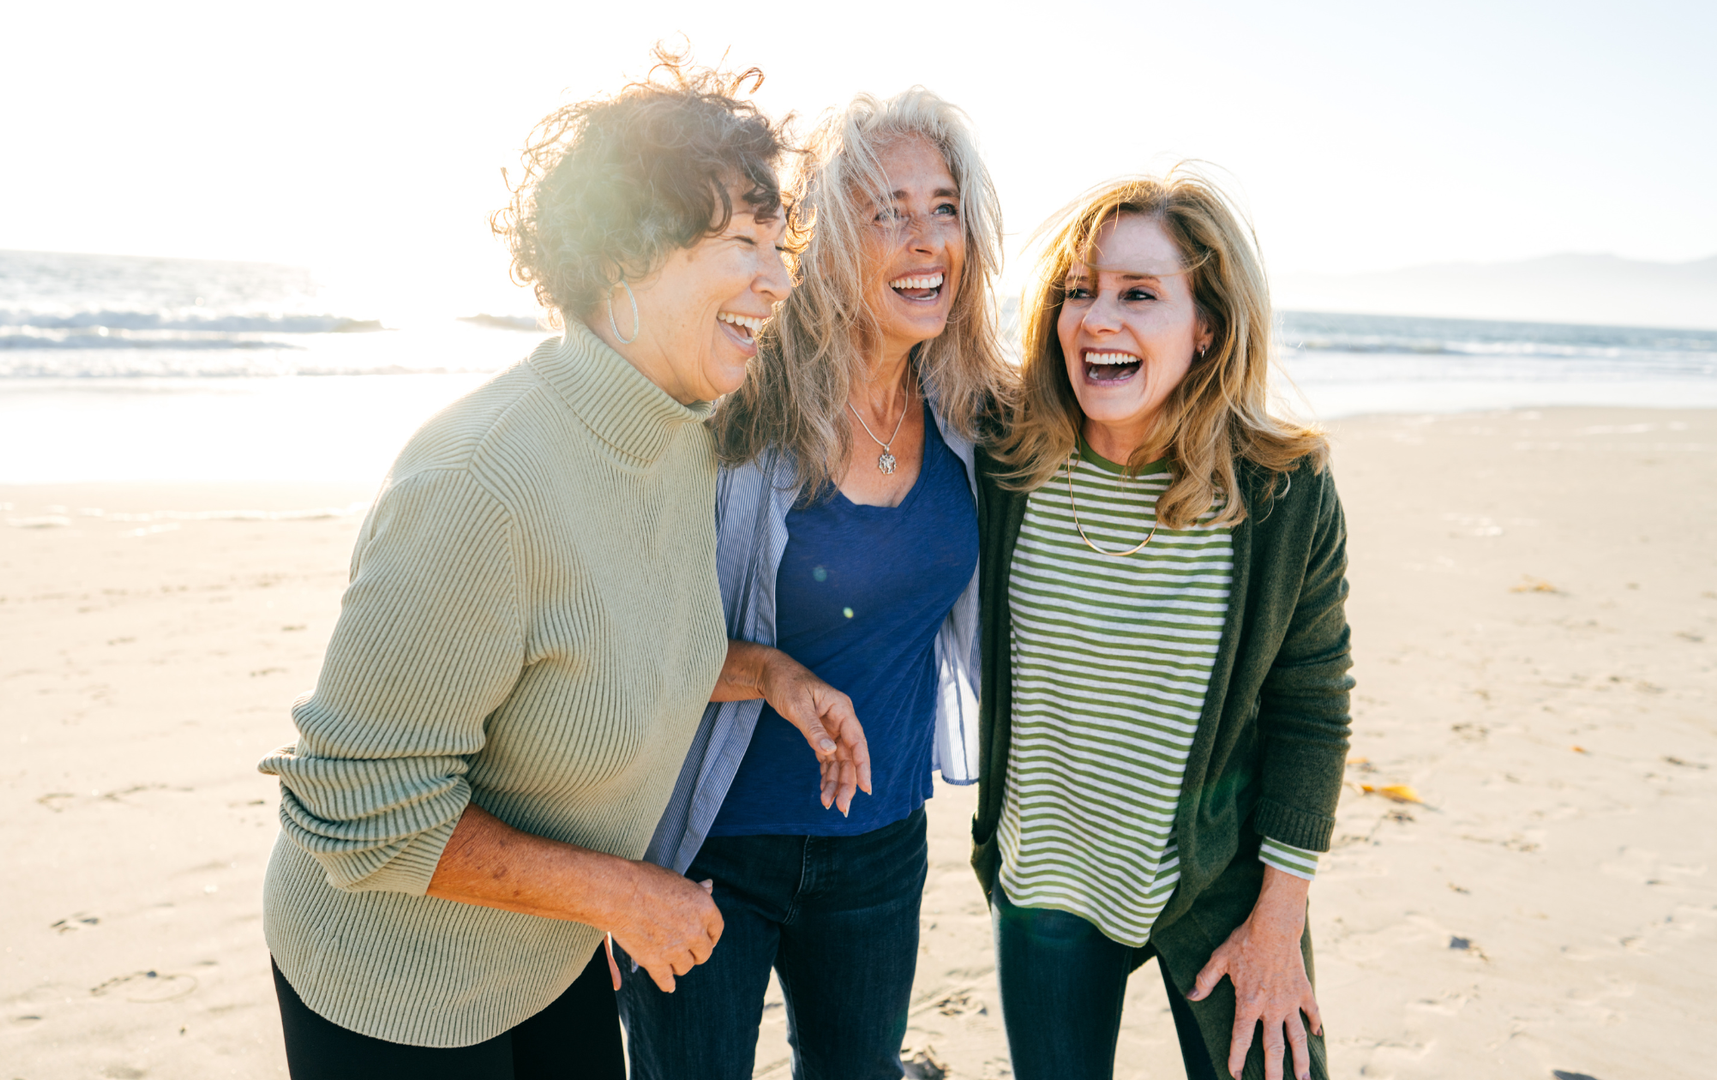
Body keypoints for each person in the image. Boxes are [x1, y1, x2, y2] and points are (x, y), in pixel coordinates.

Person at [254, 54, 855, 1079]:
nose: (778, 275)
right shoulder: (477, 485)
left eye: (778, 242)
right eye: (744, 242)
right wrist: (619, 895)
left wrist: (771, 677)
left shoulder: (679, 432)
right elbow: (356, 811)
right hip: (394, 993)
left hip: (550, 956)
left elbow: (605, 641)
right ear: (626, 254)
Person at [618, 88, 1014, 1080]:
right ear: (828, 237)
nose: (925, 240)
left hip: (881, 841)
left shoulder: (974, 416)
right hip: (710, 847)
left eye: (943, 206)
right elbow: (630, 646)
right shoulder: (735, 408)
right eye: (887, 211)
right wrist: (775, 673)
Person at [972, 172, 1353, 1080]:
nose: (1097, 319)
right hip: (1047, 886)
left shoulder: (1282, 493)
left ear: (1208, 326)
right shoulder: (1003, 460)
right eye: (1078, 291)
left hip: (1219, 883)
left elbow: (1313, 706)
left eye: (1139, 294)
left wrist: (1279, 916)